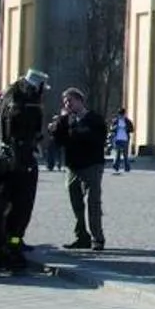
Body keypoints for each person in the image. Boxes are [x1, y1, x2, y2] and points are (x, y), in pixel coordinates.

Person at [50, 88, 106, 250]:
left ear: (80, 100)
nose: (68, 104)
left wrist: (73, 132)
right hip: (72, 166)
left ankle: (98, 237)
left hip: (92, 165)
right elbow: (57, 140)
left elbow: (93, 138)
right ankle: (82, 236)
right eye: (65, 102)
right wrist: (60, 121)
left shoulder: (94, 119)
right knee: (76, 202)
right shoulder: (66, 120)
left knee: (93, 202)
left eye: (70, 101)